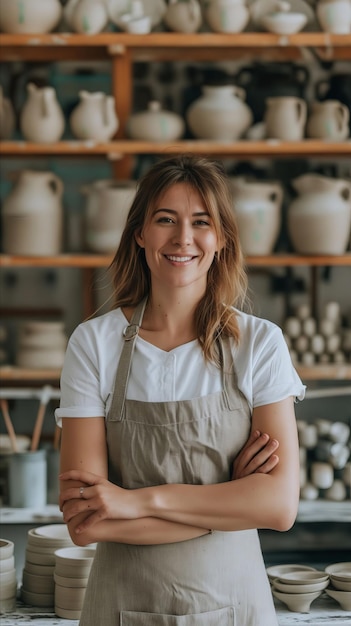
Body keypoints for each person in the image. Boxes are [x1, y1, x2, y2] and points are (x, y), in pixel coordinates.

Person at [56, 154, 305, 626]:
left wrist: (135, 501)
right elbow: (87, 524)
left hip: (237, 605)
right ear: (140, 233)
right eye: (165, 219)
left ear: (222, 238)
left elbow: (278, 507)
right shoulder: (94, 343)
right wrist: (231, 499)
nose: (183, 238)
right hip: (119, 605)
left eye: (201, 222)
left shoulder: (259, 343)